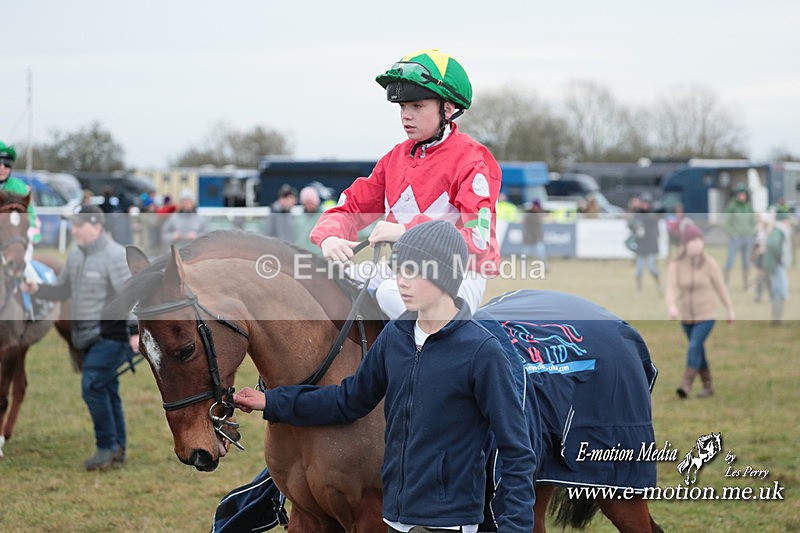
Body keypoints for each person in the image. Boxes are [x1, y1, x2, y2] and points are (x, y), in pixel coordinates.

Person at [234, 220, 536, 532]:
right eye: (398, 270)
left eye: (412, 272)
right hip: (395, 518)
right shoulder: (396, 336)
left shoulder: (481, 351)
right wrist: (272, 401)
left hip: (448, 522)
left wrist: (515, 527)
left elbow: (516, 450)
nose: (400, 281)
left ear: (443, 275)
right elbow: (347, 400)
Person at [310, 49, 502, 319]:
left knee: (392, 292)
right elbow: (348, 208)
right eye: (402, 107)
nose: (406, 116)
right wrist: (329, 237)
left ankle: (440, 359)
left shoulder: (473, 161)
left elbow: (479, 242)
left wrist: (406, 231)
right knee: (326, 283)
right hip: (402, 271)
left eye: (417, 106)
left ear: (447, 108)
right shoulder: (393, 159)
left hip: (460, 275)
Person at [23, 205, 139, 470]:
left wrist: (134, 333)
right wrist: (37, 289)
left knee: (93, 387)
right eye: (72, 225)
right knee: (107, 390)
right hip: (86, 337)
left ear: (96, 226)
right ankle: (118, 449)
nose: (73, 230)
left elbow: (130, 296)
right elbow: (63, 290)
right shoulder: (75, 256)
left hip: (112, 337)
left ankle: (106, 448)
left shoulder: (115, 256)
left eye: (78, 225)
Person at [665, 224, 735, 399]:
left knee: (694, 345)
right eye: (692, 241)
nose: (697, 244)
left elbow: (721, 288)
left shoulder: (709, 264)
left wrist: (729, 309)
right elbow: (670, 288)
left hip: (706, 314)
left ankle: (686, 384)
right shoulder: (676, 265)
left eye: (699, 241)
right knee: (698, 348)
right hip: (686, 316)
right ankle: (708, 385)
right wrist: (671, 306)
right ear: (685, 244)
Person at [0, 140, 43, 318]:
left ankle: (36, 305)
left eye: (6, 165)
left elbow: (31, 217)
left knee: (25, 267)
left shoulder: (20, 188)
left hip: (16, 240)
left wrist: (29, 234)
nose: (2, 168)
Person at [762, 207, 793, 325]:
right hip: (777, 265)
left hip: (775, 264)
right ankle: (777, 320)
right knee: (781, 291)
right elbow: (773, 245)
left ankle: (776, 319)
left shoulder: (778, 229)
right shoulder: (779, 230)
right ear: (784, 220)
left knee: (777, 290)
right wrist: (780, 257)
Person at [722, 183, 756, 289]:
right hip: (735, 239)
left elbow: (753, 221)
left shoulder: (748, 206)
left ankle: (746, 284)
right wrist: (733, 234)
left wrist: (751, 232)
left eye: (743, 194)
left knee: (746, 261)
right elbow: (726, 223)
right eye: (740, 194)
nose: (742, 196)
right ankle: (724, 284)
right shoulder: (732, 206)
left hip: (747, 238)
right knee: (730, 260)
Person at [628, 193, 661, 295]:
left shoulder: (653, 215)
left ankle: (659, 287)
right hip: (641, 246)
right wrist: (636, 227)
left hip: (650, 245)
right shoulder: (637, 215)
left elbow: (656, 231)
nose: (645, 205)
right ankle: (638, 290)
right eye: (644, 203)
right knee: (639, 271)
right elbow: (630, 225)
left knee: (652, 269)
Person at [292, 186, 322, 253]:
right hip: (302, 256)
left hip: (319, 257)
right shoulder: (298, 219)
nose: (309, 206)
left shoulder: (323, 218)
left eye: (311, 203)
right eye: (306, 203)